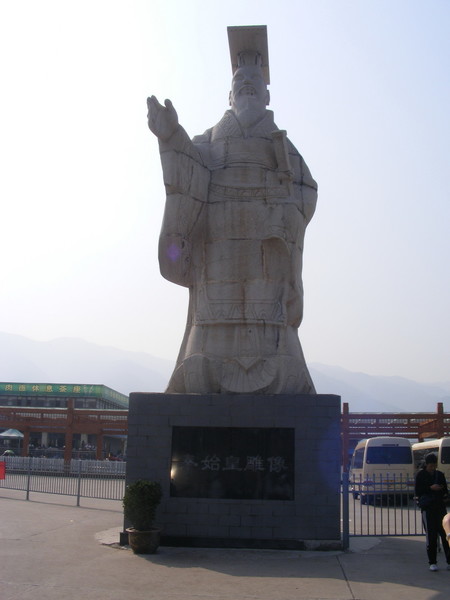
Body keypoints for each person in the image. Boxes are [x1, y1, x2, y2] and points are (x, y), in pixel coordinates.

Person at [147, 26, 317, 395]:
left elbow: (306, 192)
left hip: (267, 259)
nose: (247, 85)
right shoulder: (206, 142)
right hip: (216, 259)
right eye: (240, 81)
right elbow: (188, 176)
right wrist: (172, 137)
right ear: (229, 95)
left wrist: (280, 211)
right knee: (204, 350)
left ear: (267, 95)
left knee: (275, 337)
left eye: (255, 81)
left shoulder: (284, 150)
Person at [415, 452, 450, 571]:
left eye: (434, 466)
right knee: (431, 536)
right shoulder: (421, 475)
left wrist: (442, 491)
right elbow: (418, 491)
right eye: (431, 466)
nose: (433, 468)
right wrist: (430, 488)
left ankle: (449, 561)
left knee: (445, 535)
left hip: (440, 507)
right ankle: (432, 562)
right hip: (428, 508)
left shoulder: (439, 475)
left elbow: (445, 490)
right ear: (426, 464)